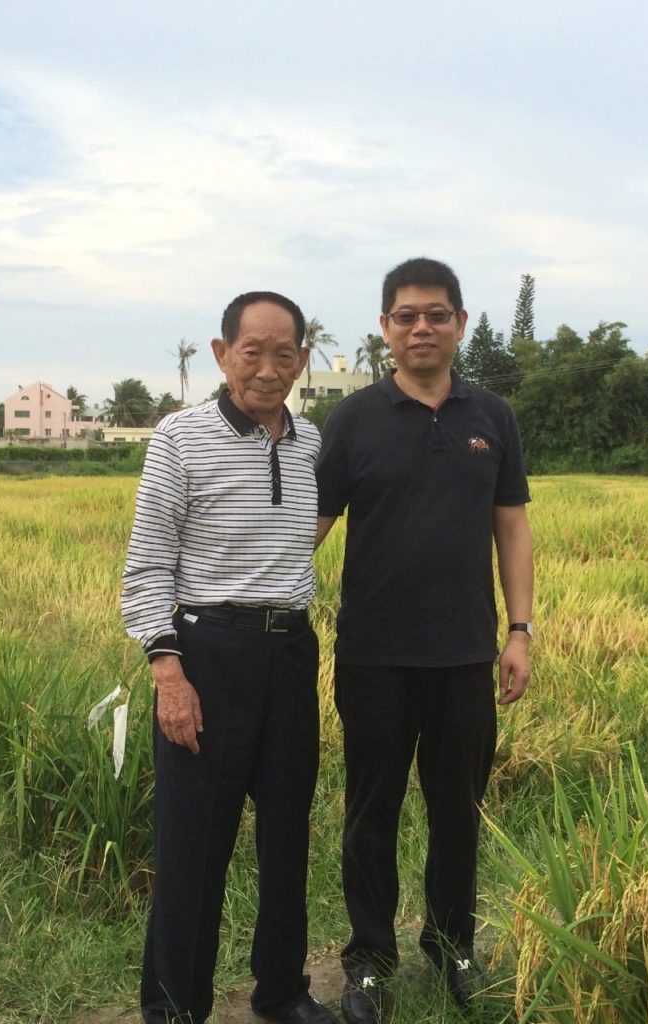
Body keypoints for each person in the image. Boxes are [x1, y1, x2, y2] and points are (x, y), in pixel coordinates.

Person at [315, 258, 534, 1020]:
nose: (421, 327)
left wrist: (520, 629)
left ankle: (451, 946)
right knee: (370, 814)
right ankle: (370, 960)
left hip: (466, 654)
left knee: (458, 812)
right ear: (385, 328)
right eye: (406, 315)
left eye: (437, 314)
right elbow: (311, 527)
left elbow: (512, 526)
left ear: (460, 324)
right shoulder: (352, 421)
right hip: (373, 656)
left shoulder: (492, 417)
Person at [122, 291, 339, 1024]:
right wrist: (168, 671)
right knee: (193, 844)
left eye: (284, 355)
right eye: (253, 353)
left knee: (287, 836)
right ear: (223, 355)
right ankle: (174, 1009)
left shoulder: (311, 443)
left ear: (302, 361)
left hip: (291, 654)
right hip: (207, 655)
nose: (268, 370)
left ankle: (281, 991)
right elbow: (147, 567)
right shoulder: (179, 438)